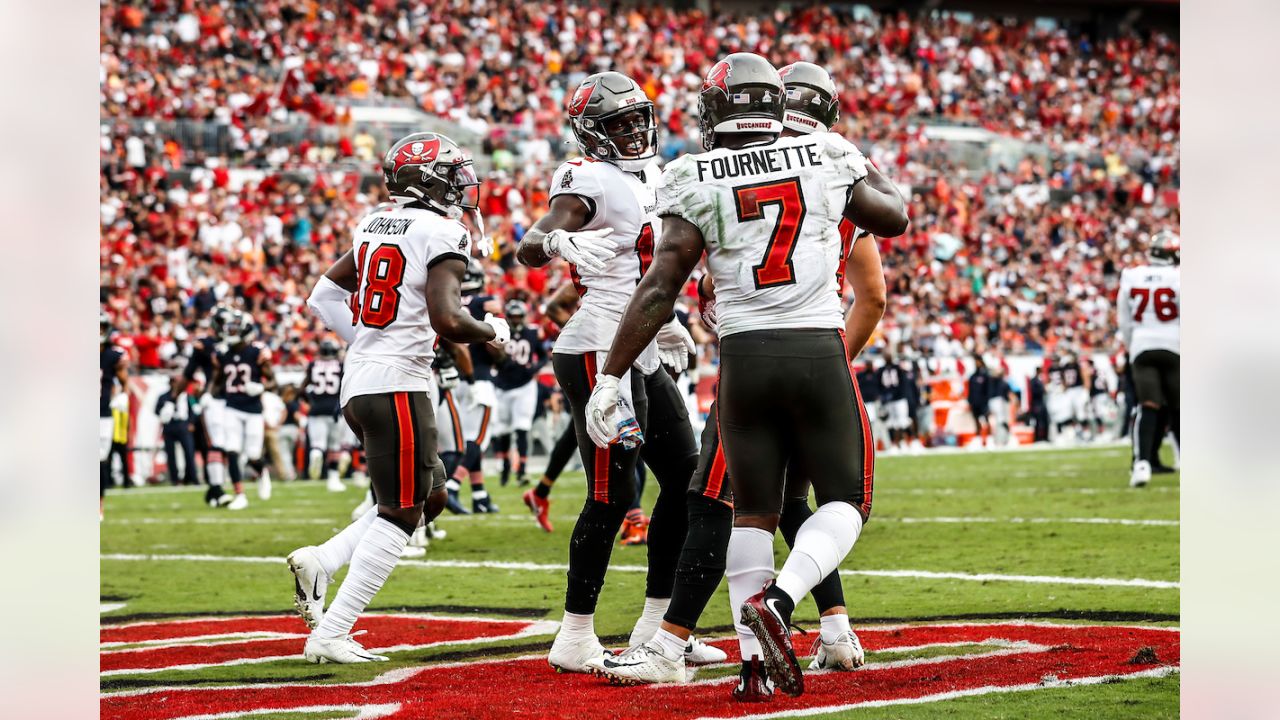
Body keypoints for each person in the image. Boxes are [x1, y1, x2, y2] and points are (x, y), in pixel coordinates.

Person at [583, 53, 907, 698]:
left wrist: (612, 374)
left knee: (752, 512)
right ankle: (783, 606)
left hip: (743, 358)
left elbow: (660, 284)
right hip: (816, 347)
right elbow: (893, 218)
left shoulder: (688, 173)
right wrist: (845, 156)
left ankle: (752, 667)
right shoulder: (828, 155)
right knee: (845, 501)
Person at [286, 131, 510, 663]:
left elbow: (323, 296)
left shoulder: (374, 223)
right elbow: (447, 319)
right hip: (396, 384)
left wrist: (368, 341)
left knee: (431, 494)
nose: (463, 184)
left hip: (364, 380)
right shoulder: (442, 231)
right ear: (429, 180)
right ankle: (332, 631)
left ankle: (323, 560)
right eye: (453, 173)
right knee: (404, 510)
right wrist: (491, 330)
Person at [516, 71, 700, 674]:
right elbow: (532, 240)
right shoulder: (585, 177)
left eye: (635, 118)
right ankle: (574, 635)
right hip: (597, 345)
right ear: (593, 132)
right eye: (617, 123)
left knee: (686, 477)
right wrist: (554, 245)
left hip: (639, 342)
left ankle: (658, 628)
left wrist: (669, 317)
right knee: (613, 493)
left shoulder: (657, 174)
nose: (632, 131)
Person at [1117, 230, 1180, 487]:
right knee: (1180, 407)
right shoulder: (1179, 276)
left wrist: (1133, 346)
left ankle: (1141, 464)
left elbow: (1124, 319)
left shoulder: (1131, 276)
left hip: (1142, 345)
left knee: (1148, 405)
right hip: (1174, 345)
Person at [212, 308, 276, 510]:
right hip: (232, 407)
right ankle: (239, 494)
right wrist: (207, 395)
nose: (229, 332)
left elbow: (273, 382)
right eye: (228, 328)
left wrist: (261, 386)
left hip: (253, 409)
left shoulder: (257, 351)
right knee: (231, 450)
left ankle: (262, 471)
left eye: (234, 328)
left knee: (252, 455)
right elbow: (217, 383)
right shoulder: (223, 353)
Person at [490, 299, 548, 487]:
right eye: (512, 317)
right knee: (503, 430)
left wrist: (534, 369)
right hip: (502, 385)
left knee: (522, 427)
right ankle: (505, 466)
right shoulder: (501, 331)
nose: (515, 320)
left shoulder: (531, 332)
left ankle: (522, 469)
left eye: (518, 317)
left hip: (524, 385)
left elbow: (545, 354)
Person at [305, 338, 347, 491]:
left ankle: (316, 454)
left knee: (317, 444)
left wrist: (310, 399)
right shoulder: (341, 365)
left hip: (316, 409)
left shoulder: (313, 364)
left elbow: (304, 386)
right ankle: (333, 479)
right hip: (335, 409)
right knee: (334, 447)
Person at [100, 312, 129, 518]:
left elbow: (125, 381)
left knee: (99, 459)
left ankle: (98, 507)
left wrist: (123, 395)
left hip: (103, 414)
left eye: (101, 327)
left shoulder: (112, 355)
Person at [156, 375, 197, 486]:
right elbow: (157, 410)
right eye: (173, 382)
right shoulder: (164, 396)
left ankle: (192, 478)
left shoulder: (186, 396)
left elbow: (193, 410)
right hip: (169, 426)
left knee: (189, 453)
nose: (174, 384)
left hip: (183, 425)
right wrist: (165, 412)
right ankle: (174, 479)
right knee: (171, 455)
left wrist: (191, 423)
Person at [966, 355, 992, 448]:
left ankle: (989, 439)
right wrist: (969, 402)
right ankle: (978, 439)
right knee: (976, 421)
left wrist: (987, 402)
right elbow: (970, 391)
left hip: (983, 403)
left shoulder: (985, 375)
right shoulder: (973, 376)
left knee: (986, 420)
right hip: (975, 403)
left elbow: (988, 390)